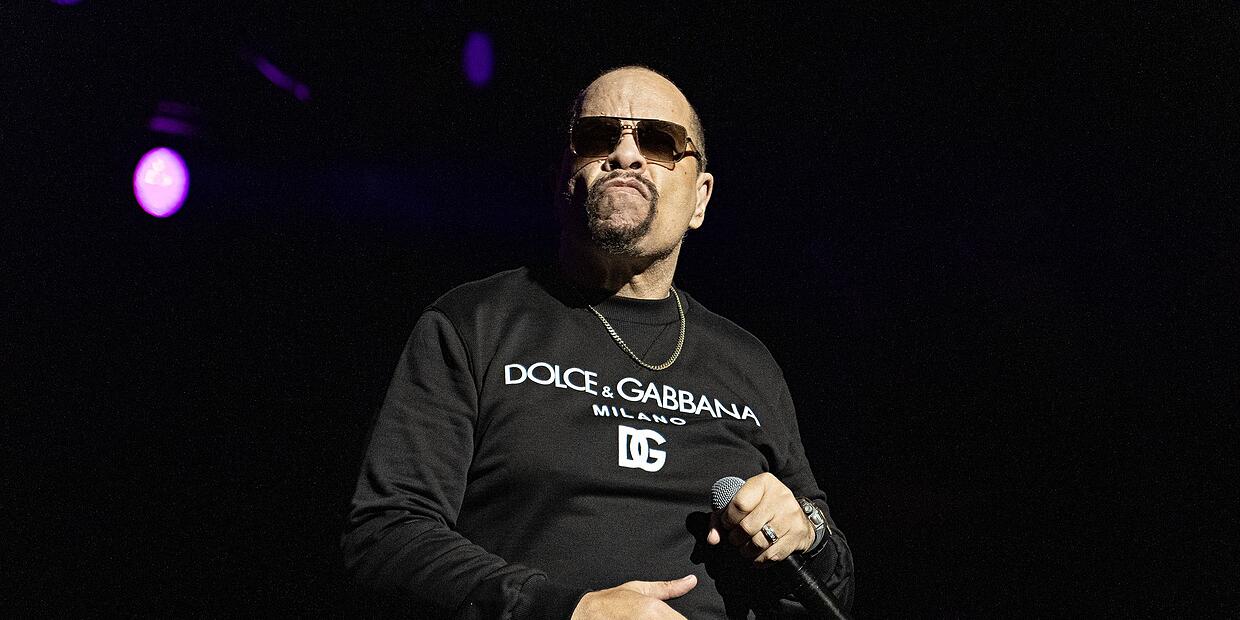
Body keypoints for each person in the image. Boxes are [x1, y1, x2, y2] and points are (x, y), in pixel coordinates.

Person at [342, 65, 854, 619]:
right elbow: (385, 535)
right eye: (597, 137)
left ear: (700, 199)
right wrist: (570, 610)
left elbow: (833, 591)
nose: (625, 154)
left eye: (658, 142)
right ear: (564, 176)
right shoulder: (473, 323)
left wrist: (808, 533)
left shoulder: (748, 363)